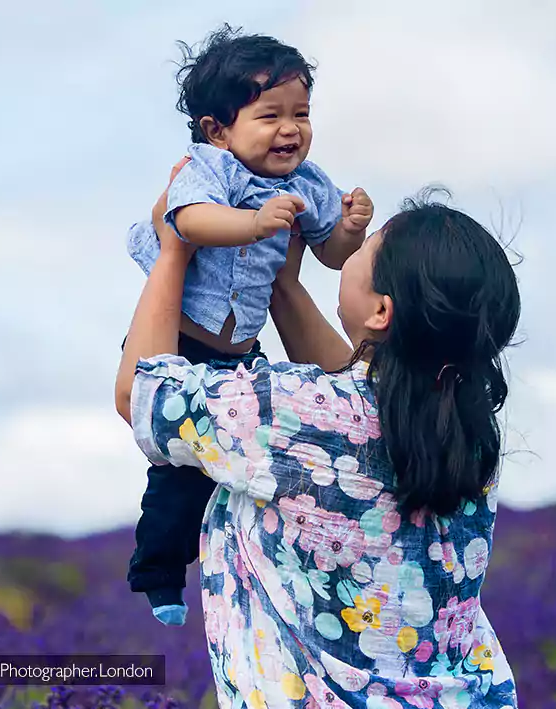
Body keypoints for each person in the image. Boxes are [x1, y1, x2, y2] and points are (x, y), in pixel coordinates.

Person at [115, 163, 520, 707]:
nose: (352, 253)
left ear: (381, 310)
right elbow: (349, 399)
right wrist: (282, 282)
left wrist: (173, 250)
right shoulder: (467, 434)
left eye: (367, 250)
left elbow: (145, 398)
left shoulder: (287, 409)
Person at [123, 25, 373, 626]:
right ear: (218, 129)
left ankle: (236, 570)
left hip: (240, 348)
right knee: (176, 468)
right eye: (270, 116)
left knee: (237, 464)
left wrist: (351, 229)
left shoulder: (309, 182)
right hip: (182, 337)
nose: (291, 129)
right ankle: (156, 572)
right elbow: (187, 220)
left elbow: (331, 254)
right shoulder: (211, 170)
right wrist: (255, 222)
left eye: (302, 114)